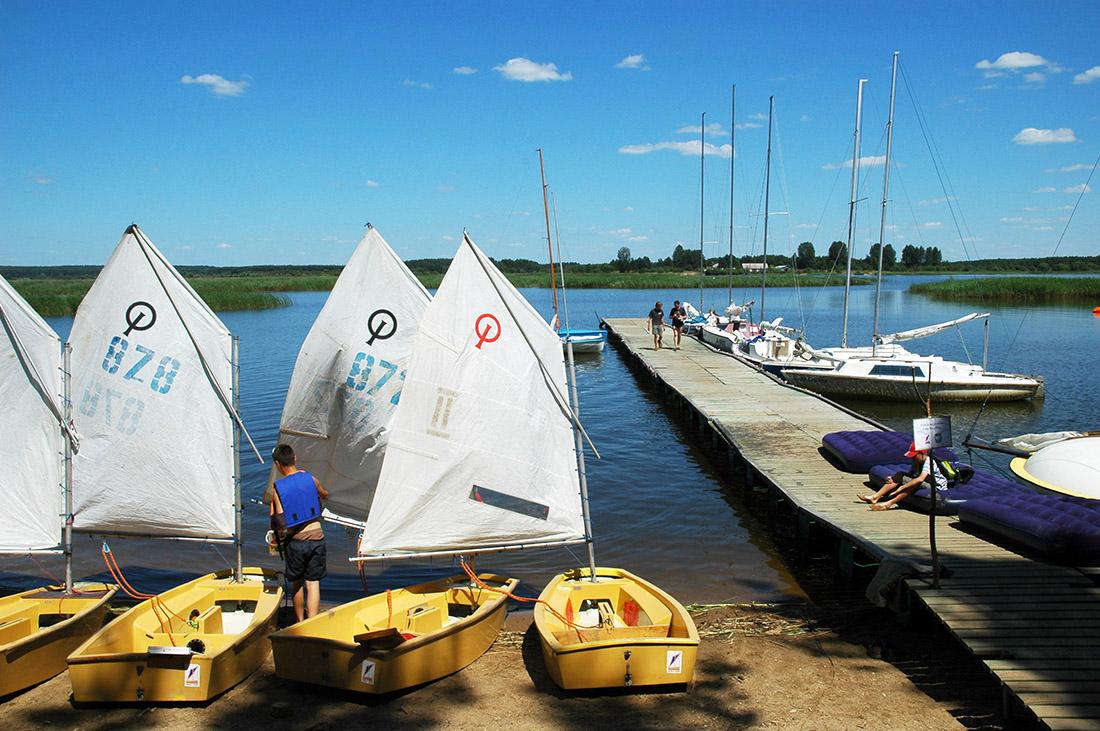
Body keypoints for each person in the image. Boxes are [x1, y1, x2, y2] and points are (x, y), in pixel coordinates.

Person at [267, 443, 329, 621]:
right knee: (313, 583)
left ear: (278, 464)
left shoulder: (278, 488)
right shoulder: (310, 478)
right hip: (317, 537)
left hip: (296, 541)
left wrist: (276, 539)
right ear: (294, 458)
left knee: (297, 584)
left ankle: (300, 622)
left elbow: (279, 519)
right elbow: (324, 494)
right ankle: (312, 622)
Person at [858, 442, 948, 511]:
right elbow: (910, 475)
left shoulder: (929, 461)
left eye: (914, 456)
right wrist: (893, 478)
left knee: (914, 483)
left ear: (921, 453)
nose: (912, 458)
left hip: (936, 487)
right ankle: (875, 497)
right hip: (926, 483)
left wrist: (901, 488)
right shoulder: (916, 461)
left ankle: (888, 503)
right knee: (900, 475)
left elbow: (920, 479)